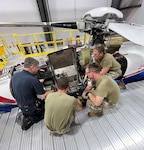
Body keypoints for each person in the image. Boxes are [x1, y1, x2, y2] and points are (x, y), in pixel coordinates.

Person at [11, 57, 52, 130]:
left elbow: (26, 85)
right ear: (31, 66)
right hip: (32, 109)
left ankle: (27, 115)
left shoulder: (16, 75)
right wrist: (52, 91)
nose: (38, 69)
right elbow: (43, 96)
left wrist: (36, 83)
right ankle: (30, 119)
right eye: (37, 67)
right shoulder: (33, 80)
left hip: (21, 106)